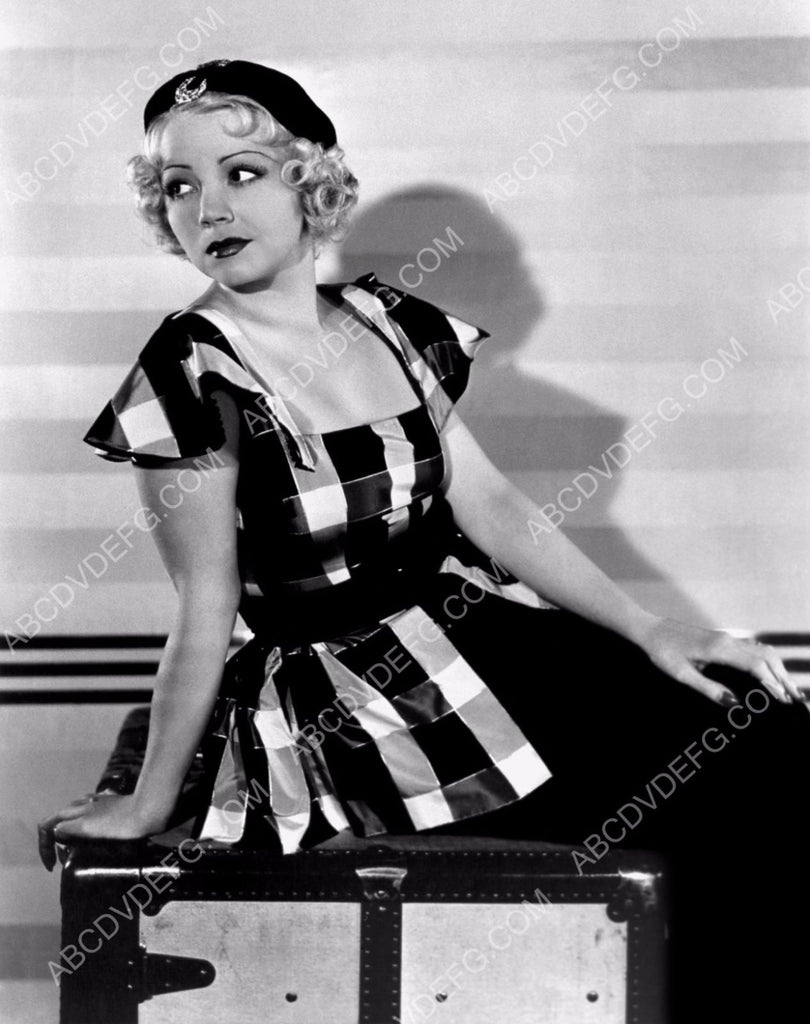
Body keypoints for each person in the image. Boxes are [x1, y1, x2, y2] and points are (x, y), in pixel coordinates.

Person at [38, 59, 809, 1021]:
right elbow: (206, 606)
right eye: (179, 186)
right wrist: (150, 804)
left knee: (769, 738)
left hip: (473, 630)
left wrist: (652, 629)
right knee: (721, 802)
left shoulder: (390, 322)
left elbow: (491, 506)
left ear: (310, 180)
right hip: (355, 703)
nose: (210, 208)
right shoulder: (189, 372)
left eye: (243, 172)